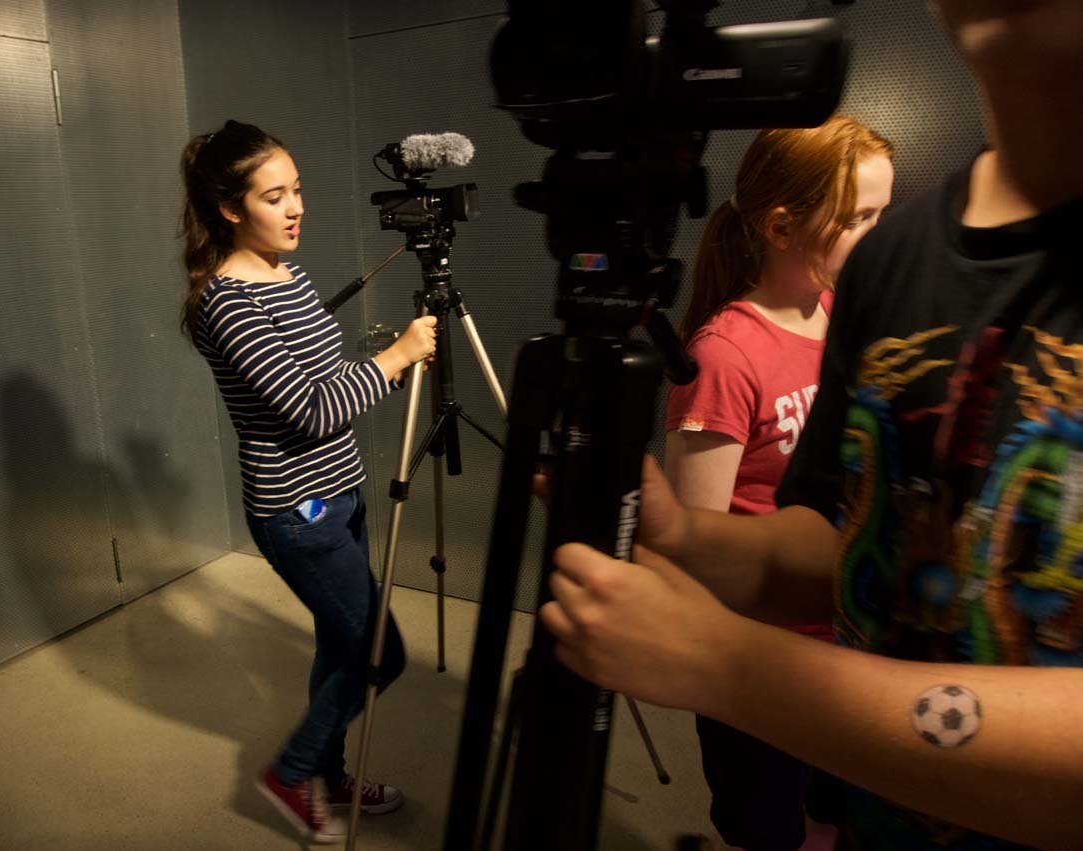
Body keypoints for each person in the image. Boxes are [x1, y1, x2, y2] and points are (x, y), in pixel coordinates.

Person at [540, 2, 1083, 849]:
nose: (867, 229)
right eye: (856, 214)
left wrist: (730, 666)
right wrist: (686, 537)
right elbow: (847, 537)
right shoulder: (894, 263)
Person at [179, 120, 437, 844]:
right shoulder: (228, 303)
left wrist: (383, 364)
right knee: (380, 653)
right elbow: (313, 408)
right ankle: (292, 772)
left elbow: (325, 376)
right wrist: (397, 357)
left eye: (296, 190)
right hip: (297, 510)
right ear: (230, 208)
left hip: (340, 491)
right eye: (274, 197)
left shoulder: (287, 275)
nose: (295, 208)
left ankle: (328, 772)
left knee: (340, 646)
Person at [666, 116, 894, 851]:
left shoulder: (835, 314)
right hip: (762, 660)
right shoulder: (725, 355)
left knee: (834, 813)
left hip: (842, 638)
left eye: (882, 214)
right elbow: (699, 546)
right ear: (783, 228)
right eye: (858, 219)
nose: (880, 236)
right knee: (768, 829)